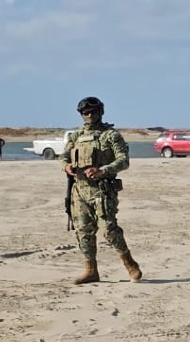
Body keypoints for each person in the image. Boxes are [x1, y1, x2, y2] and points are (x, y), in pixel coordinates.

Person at [60, 96, 142, 285]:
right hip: (79, 191)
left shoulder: (111, 135)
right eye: (85, 113)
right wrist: (66, 166)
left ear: (100, 112)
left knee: (109, 230)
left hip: (102, 191)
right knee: (83, 231)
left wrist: (102, 170)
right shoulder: (75, 136)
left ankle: (130, 264)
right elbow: (63, 156)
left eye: (93, 112)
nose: (89, 116)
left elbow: (124, 160)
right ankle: (91, 270)